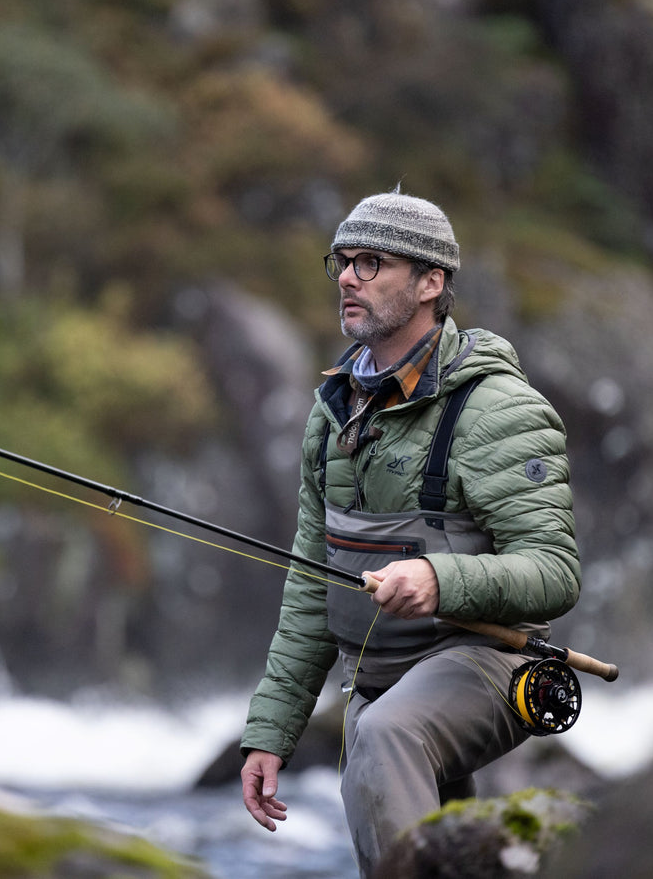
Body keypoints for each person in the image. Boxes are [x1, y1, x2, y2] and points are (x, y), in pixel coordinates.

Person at [239, 189, 581, 877]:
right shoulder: (333, 410)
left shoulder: (497, 408)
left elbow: (553, 572)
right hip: (378, 680)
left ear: (431, 283)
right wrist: (271, 733)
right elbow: (312, 584)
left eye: (370, 264)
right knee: (443, 839)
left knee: (387, 737)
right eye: (341, 261)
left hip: (491, 666)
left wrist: (437, 579)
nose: (345, 277)